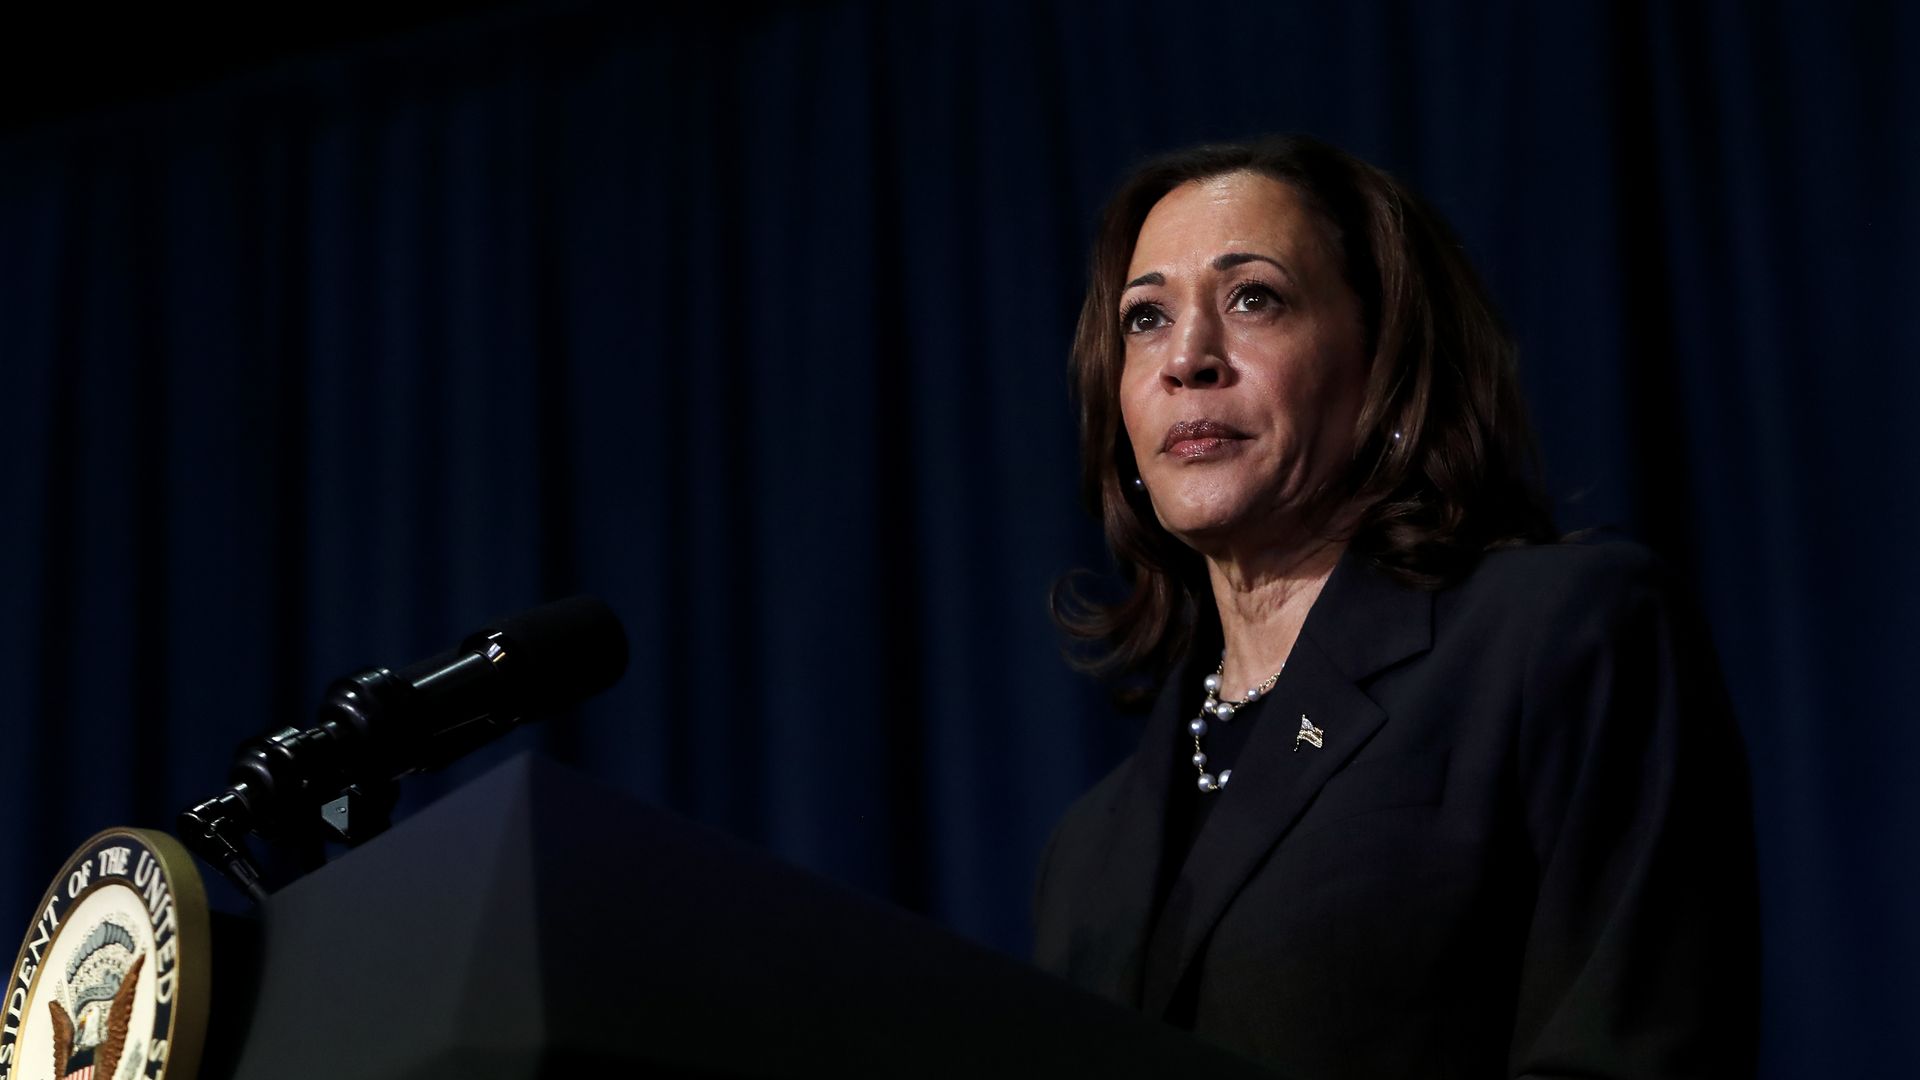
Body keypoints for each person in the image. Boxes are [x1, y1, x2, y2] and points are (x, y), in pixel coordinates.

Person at [1032, 135, 1758, 1078]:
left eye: (1254, 298)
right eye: (1144, 319)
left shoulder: (1562, 640)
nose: (1188, 359)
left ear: (1385, 364)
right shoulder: (1086, 851)